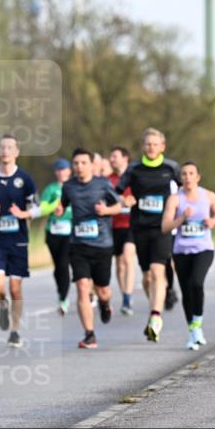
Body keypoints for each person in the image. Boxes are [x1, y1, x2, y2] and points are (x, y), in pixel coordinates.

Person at [115, 128, 180, 342]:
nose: (151, 147)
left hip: (163, 228)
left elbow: (185, 191)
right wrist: (125, 201)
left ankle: (155, 318)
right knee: (147, 277)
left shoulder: (171, 168)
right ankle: (159, 299)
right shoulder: (134, 169)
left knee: (157, 270)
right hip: (140, 227)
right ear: (143, 146)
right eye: (148, 144)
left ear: (162, 146)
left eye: (155, 144)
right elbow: (117, 192)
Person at [59, 148, 122, 349]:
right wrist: (60, 210)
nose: (79, 167)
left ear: (91, 165)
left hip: (102, 244)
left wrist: (106, 210)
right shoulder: (68, 186)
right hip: (78, 245)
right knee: (82, 287)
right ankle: (89, 334)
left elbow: (119, 207)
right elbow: (63, 204)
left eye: (83, 163)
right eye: (75, 163)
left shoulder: (103, 184)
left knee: (103, 290)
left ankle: (104, 304)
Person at [162, 162, 215, 350]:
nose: (187, 177)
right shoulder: (175, 199)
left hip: (203, 249)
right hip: (181, 250)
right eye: (184, 174)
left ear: (198, 177)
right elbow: (165, 227)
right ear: (180, 178)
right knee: (186, 290)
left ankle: (197, 324)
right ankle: (193, 331)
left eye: (191, 174)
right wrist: (181, 219)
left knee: (197, 283)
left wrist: (213, 221)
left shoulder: (208, 195)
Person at [0, 134, 40, 348]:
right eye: (2, 147)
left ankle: (15, 331)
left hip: (18, 241)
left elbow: (37, 208)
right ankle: (2, 305)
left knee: (15, 287)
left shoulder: (25, 179)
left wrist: (23, 215)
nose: (5, 151)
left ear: (16, 152)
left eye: (10, 147)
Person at [40, 159, 73, 315]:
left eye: (64, 169)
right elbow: (43, 207)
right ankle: (61, 292)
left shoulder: (74, 187)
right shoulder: (51, 189)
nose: (61, 172)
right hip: (53, 232)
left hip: (70, 232)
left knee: (63, 264)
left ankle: (64, 299)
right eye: (59, 170)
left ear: (69, 171)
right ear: (56, 172)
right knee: (57, 266)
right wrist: (55, 206)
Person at [107, 146, 137, 316]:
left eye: (115, 156)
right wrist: (119, 200)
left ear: (125, 158)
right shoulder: (108, 180)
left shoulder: (134, 177)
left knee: (127, 257)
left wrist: (133, 201)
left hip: (131, 224)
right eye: (111, 157)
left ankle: (127, 296)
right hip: (114, 225)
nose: (112, 160)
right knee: (119, 265)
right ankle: (125, 294)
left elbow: (140, 195)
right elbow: (105, 197)